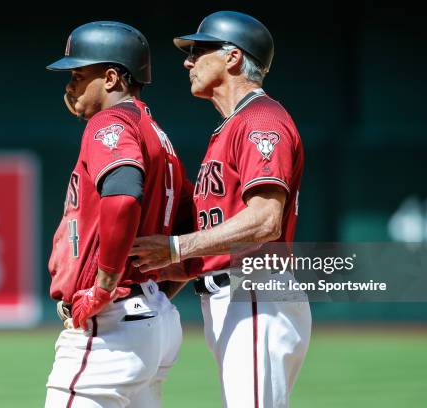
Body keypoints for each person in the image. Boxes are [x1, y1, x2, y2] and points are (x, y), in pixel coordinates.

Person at [130, 11, 312, 408]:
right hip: (232, 296)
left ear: (232, 58)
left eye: (199, 50)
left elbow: (265, 220)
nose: (187, 61)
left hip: (255, 293)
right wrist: (165, 275)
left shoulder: (261, 119)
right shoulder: (231, 126)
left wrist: (176, 247)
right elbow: (213, 243)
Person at [44, 21, 192, 408]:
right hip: (151, 317)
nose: (70, 86)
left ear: (111, 78)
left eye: (78, 75)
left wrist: (105, 284)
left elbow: (123, 196)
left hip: (111, 325)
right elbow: (190, 228)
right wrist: (154, 294)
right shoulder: (157, 134)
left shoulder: (110, 122)